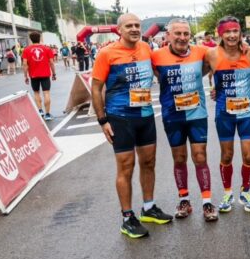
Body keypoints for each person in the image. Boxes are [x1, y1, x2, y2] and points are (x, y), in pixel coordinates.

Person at [92, 13, 173, 239]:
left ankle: (149, 207)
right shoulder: (106, 53)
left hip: (145, 114)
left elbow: (162, 73)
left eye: (137, 25)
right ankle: (127, 218)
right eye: (129, 26)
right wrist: (103, 120)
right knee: (126, 166)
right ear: (119, 30)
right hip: (120, 117)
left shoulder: (146, 48)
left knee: (149, 162)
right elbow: (96, 88)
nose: (135, 29)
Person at [152, 19, 217, 222]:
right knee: (179, 158)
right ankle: (184, 200)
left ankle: (207, 202)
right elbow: (155, 75)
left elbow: (221, 60)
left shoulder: (201, 52)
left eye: (186, 34)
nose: (182, 37)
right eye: (177, 33)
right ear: (168, 35)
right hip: (172, 115)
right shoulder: (156, 56)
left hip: (197, 113)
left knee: (200, 157)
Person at [209, 16, 250, 213]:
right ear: (220, 34)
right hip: (224, 114)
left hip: (246, 113)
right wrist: (212, 88)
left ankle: (246, 192)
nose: (231, 35)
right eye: (227, 32)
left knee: (248, 155)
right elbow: (198, 73)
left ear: (240, 33)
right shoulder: (212, 54)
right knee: (227, 155)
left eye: (235, 31)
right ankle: (227, 193)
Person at [22, 31, 57, 121]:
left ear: (31, 39)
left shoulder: (26, 50)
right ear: (40, 38)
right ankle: (47, 114)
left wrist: (25, 76)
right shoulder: (47, 49)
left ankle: (40, 110)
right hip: (45, 74)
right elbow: (51, 62)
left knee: (36, 92)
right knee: (46, 93)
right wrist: (54, 73)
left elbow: (25, 64)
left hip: (33, 75)